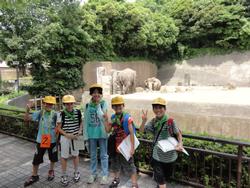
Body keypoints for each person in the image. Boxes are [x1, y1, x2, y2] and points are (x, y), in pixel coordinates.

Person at [140, 97, 184, 188]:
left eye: (160, 108)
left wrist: (180, 144)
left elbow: (178, 133)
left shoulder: (170, 122)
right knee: (162, 182)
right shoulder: (153, 122)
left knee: (164, 179)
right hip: (157, 156)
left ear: (165, 109)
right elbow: (141, 130)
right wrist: (144, 121)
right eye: (155, 108)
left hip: (170, 157)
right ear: (153, 109)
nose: (158, 110)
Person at [24, 96, 58, 187]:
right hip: (41, 140)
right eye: (47, 103)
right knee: (37, 158)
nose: (49, 105)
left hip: (52, 140)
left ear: (53, 105)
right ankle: (34, 176)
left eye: (51, 104)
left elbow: (59, 127)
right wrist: (27, 110)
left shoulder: (55, 114)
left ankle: (51, 171)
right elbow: (27, 119)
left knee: (53, 157)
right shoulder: (40, 113)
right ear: (44, 104)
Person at [105, 96, 138, 188]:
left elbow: (131, 133)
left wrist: (132, 148)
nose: (117, 107)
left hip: (125, 146)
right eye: (115, 105)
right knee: (115, 164)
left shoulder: (127, 118)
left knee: (130, 166)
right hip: (115, 146)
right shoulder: (113, 117)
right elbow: (108, 130)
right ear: (112, 107)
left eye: (119, 105)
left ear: (123, 105)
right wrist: (105, 119)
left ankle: (134, 184)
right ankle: (116, 180)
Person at [84, 83, 109, 185]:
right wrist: (85, 135)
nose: (96, 94)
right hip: (91, 134)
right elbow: (85, 120)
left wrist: (98, 104)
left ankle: (104, 174)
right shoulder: (87, 105)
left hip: (102, 133)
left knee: (103, 155)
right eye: (94, 92)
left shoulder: (104, 104)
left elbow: (102, 116)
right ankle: (93, 173)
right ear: (91, 94)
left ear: (101, 94)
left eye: (98, 92)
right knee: (93, 155)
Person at [56, 95, 83, 186]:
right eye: (67, 104)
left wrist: (80, 131)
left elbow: (81, 122)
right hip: (65, 137)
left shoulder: (78, 112)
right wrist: (67, 135)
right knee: (64, 157)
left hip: (76, 136)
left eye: (71, 103)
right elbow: (58, 128)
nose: (70, 105)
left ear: (73, 103)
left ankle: (76, 172)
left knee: (76, 155)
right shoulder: (61, 114)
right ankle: (64, 175)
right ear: (64, 104)